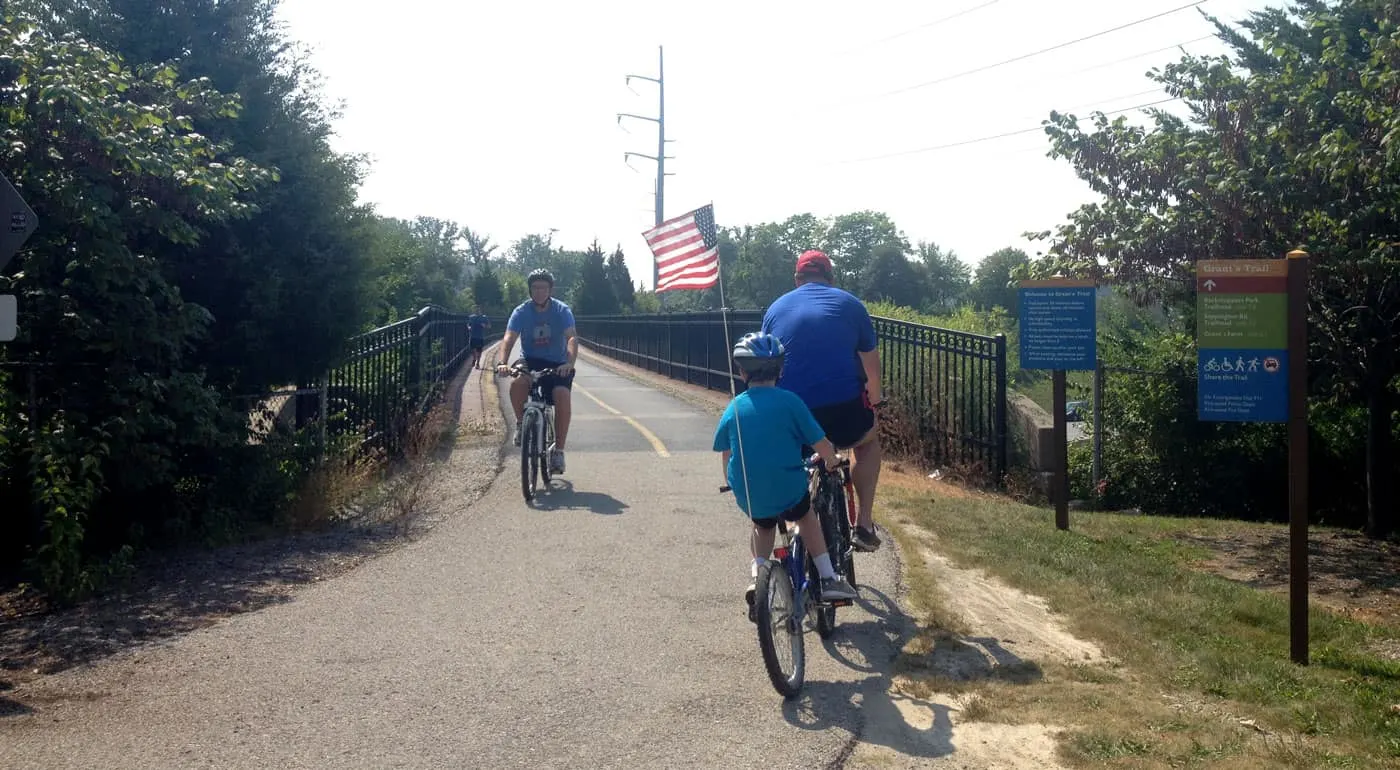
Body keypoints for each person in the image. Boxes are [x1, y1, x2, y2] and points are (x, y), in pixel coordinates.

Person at [713, 332, 858, 610]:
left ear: (742, 372)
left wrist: (732, 482)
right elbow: (820, 442)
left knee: (762, 525)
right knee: (806, 517)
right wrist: (831, 460)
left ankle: (757, 577)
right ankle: (828, 578)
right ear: (780, 370)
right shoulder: (791, 402)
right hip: (789, 488)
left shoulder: (734, 407)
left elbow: (726, 451)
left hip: (750, 491)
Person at [761, 249, 885, 553]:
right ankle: (864, 525)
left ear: (797, 278)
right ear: (830, 278)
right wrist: (877, 401)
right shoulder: (851, 305)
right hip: (842, 411)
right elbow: (871, 367)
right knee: (868, 441)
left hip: (793, 411)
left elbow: (765, 365)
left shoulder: (775, 309)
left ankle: (792, 524)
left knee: (791, 453)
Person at [494, 269, 577, 474]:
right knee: (517, 384)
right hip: (530, 360)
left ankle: (558, 451)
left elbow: (571, 338)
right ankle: (522, 423)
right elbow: (508, 338)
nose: (539, 291)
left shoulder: (561, 310)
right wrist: (503, 362)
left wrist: (569, 362)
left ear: (550, 290)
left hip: (557, 363)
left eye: (543, 288)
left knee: (562, 395)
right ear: (530, 290)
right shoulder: (521, 311)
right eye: (535, 288)